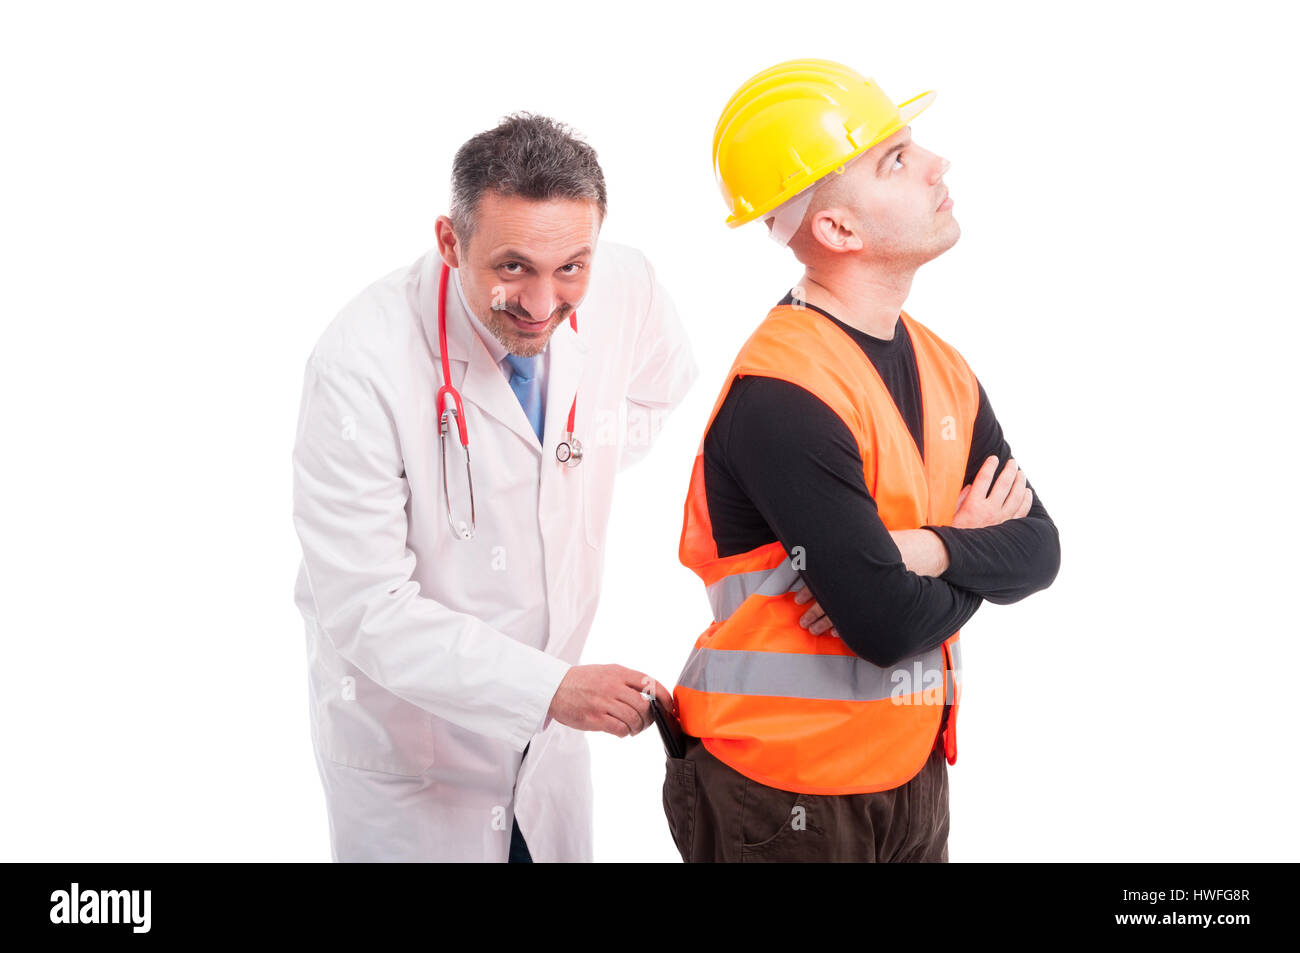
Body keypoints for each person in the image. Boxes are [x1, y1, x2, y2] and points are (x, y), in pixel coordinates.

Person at [661, 59, 1061, 862]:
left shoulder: (942, 366)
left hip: (910, 774)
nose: (936, 164)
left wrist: (927, 548)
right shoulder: (782, 396)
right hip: (781, 791)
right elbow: (883, 624)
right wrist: (964, 554)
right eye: (897, 160)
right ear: (839, 231)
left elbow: (1042, 552)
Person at [293, 112, 698, 862]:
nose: (543, 303)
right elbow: (365, 607)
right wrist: (547, 688)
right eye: (511, 267)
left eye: (571, 266)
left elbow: (659, 385)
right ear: (450, 242)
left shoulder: (628, 285)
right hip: (415, 756)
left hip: (545, 748)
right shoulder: (361, 362)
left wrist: (561, 471)